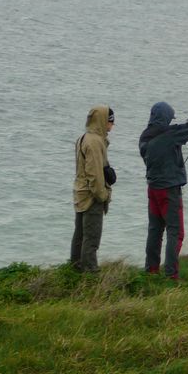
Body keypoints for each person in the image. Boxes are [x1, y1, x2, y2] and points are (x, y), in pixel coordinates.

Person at [139, 102, 188, 279]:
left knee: (155, 231)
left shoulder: (144, 138)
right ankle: (171, 274)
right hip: (169, 191)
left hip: (153, 189)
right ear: (165, 118)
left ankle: (151, 270)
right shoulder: (170, 135)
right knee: (176, 232)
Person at [70, 105, 115, 273]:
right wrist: (102, 196)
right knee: (92, 238)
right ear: (103, 121)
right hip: (91, 197)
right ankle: (90, 273)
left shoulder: (84, 138)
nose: (112, 125)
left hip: (80, 193)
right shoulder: (95, 142)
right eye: (111, 121)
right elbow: (95, 175)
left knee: (80, 236)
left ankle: (74, 269)